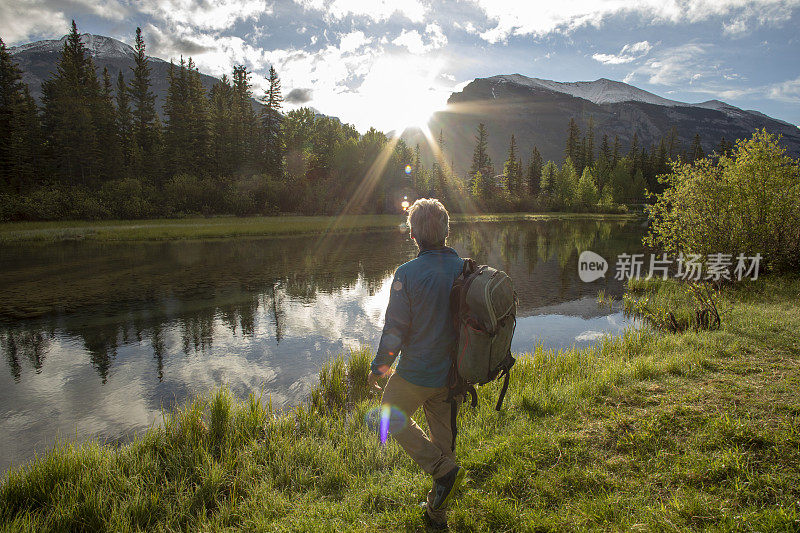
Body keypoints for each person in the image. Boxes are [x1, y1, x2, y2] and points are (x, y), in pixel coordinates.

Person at [368, 198, 466, 530]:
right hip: (452, 378)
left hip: (416, 375)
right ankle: (436, 515)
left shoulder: (406, 274)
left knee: (387, 416)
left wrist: (379, 367)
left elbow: (395, 328)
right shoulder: (466, 269)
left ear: (413, 236)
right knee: (444, 445)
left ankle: (442, 474)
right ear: (447, 232)